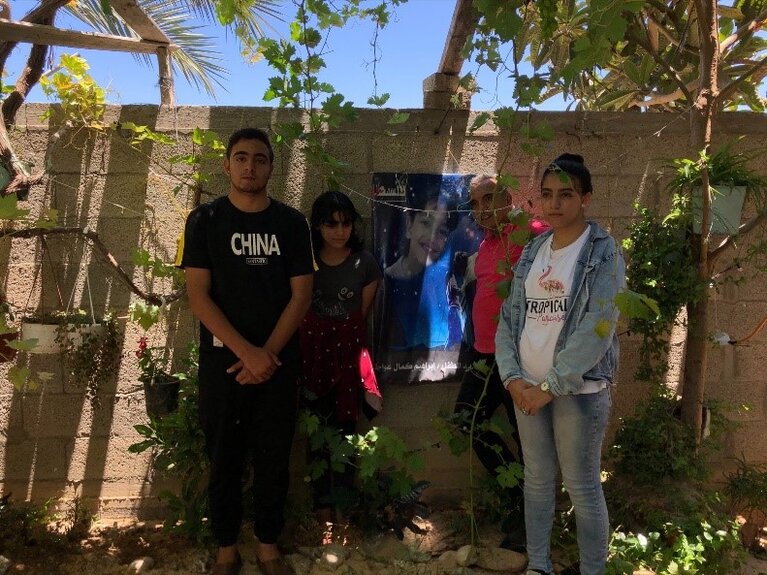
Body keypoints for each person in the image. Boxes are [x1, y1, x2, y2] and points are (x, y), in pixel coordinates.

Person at [181, 128, 314, 575]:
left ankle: (268, 546)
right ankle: (225, 549)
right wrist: (246, 352)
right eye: (241, 158)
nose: (250, 167)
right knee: (224, 457)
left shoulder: (292, 224)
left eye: (259, 159)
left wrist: (266, 355)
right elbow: (198, 296)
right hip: (223, 364)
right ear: (226, 165)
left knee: (274, 457)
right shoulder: (204, 221)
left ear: (271, 167)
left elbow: (301, 296)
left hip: (277, 363)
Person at [495, 154, 625, 575]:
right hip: (527, 390)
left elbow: (599, 325)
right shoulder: (534, 250)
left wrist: (549, 387)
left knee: (583, 487)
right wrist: (514, 379)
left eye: (566, 195)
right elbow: (511, 318)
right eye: (547, 195)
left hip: (576, 392)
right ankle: (538, 566)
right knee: (536, 482)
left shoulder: (603, 252)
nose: (555, 204)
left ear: (585, 198)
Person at [453, 174, 549, 550]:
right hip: (483, 354)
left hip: (520, 358)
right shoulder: (488, 243)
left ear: (507, 197)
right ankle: (518, 495)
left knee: (529, 441)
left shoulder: (534, 234)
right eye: (474, 204)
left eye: (489, 199)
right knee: (468, 419)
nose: (482, 210)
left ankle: (531, 522)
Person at [299, 190, 382, 523]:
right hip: (311, 358)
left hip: (349, 358)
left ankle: (345, 503)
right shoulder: (305, 261)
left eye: (346, 223)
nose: (339, 231)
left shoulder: (366, 263)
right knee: (315, 430)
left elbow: (357, 317)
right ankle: (321, 505)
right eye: (331, 224)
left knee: (348, 428)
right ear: (318, 226)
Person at [377, 186, 461, 352]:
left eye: (442, 231)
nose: (432, 236)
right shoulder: (389, 279)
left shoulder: (449, 281)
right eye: (426, 223)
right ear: (409, 225)